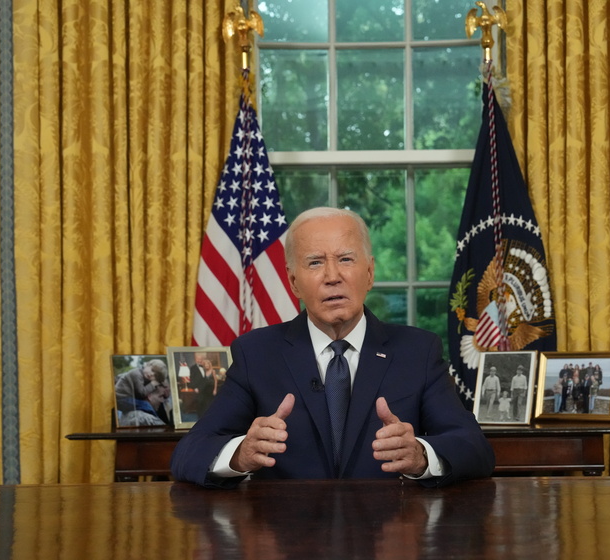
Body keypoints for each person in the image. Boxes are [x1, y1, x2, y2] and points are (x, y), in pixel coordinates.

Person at [171, 207, 495, 487]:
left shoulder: (418, 351)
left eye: (345, 259)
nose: (332, 276)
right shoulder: (256, 354)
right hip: (290, 539)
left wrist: (421, 456)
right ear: (293, 282)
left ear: (369, 273)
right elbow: (188, 454)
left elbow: (474, 449)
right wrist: (240, 454)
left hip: (389, 538)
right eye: (314, 263)